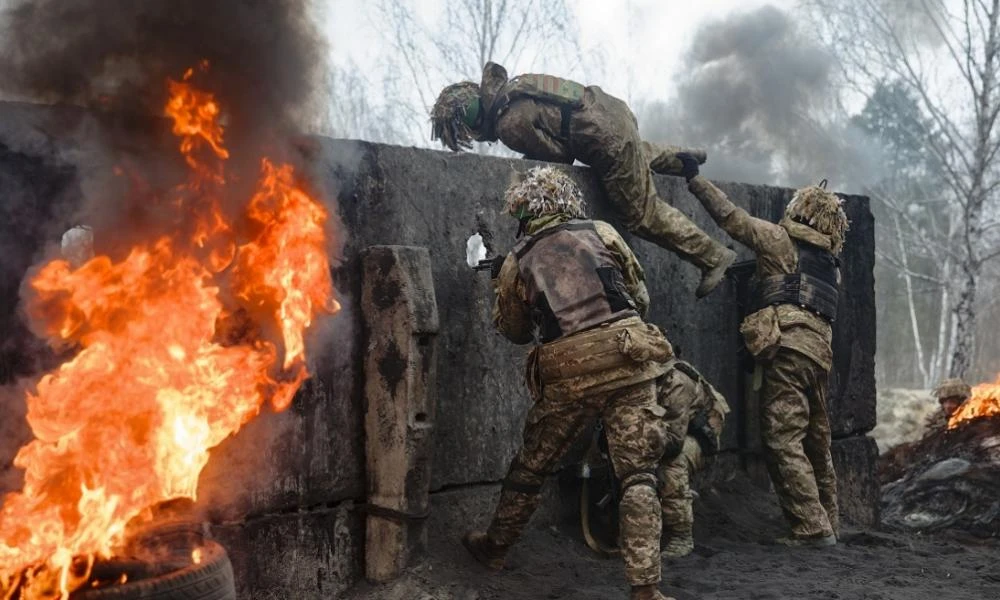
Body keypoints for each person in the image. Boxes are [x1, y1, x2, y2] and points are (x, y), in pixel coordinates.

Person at [463, 166, 679, 600]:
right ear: (567, 202)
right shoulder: (600, 231)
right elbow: (639, 295)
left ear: (523, 213)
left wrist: (509, 284)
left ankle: (495, 548)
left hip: (569, 369)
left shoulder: (519, 258)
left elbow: (515, 331)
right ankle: (646, 590)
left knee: (533, 466)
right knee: (638, 474)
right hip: (630, 353)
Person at [430, 62, 736, 298]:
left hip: (603, 139)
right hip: (610, 110)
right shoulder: (514, 87)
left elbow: (560, 155)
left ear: (471, 123)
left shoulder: (509, 123)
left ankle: (713, 257)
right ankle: (684, 158)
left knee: (641, 214)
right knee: (632, 154)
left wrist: (528, 174)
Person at [677, 153, 847, 547]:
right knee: (818, 444)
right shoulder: (829, 265)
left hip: (787, 350)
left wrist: (694, 180)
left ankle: (812, 528)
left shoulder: (778, 240)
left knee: (783, 438)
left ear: (799, 211)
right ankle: (831, 522)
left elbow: (730, 217)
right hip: (819, 356)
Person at [656, 360, 729, 558]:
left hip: (696, 439)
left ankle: (681, 535)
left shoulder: (676, 382)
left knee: (671, 464)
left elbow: (673, 442)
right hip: (664, 432)